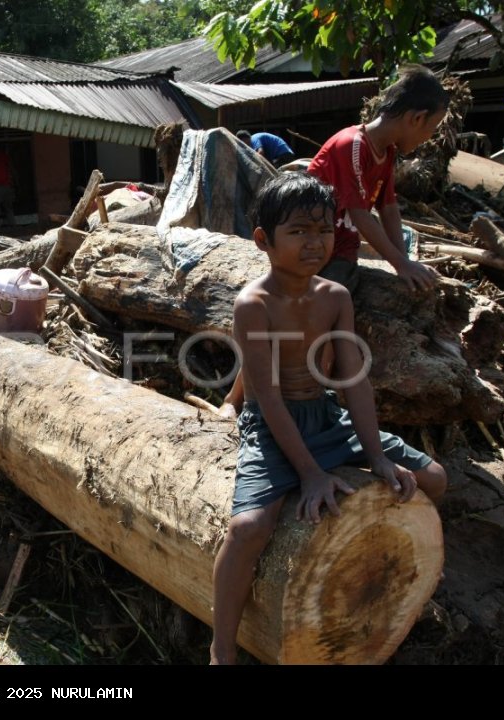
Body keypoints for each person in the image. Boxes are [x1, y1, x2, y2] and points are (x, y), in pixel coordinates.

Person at [209, 173, 447, 665]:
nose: (313, 242)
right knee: (250, 528)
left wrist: (377, 456)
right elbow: (268, 398)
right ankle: (222, 648)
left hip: (326, 417)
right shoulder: (253, 305)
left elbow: (353, 380)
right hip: (271, 426)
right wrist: (311, 473)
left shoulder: (336, 296)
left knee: (433, 478)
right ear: (263, 241)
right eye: (297, 231)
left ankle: (412, 578)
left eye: (322, 230)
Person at [307, 65, 447, 294]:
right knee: (333, 299)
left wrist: (404, 261)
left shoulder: (386, 152)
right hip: (316, 250)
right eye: (432, 129)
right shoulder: (352, 145)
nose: (429, 137)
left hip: (340, 250)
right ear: (417, 118)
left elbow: (389, 208)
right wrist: (401, 264)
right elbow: (359, 214)